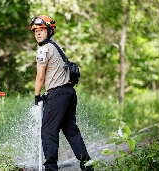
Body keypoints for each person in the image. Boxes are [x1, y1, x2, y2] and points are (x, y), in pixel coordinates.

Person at [30, 15, 94, 171]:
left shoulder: (43, 49)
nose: (38, 33)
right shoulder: (56, 46)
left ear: (50, 31)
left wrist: (37, 95)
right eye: (35, 31)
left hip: (57, 94)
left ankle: (51, 168)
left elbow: (40, 77)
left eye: (42, 30)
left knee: (48, 131)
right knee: (71, 130)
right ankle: (87, 164)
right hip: (69, 93)